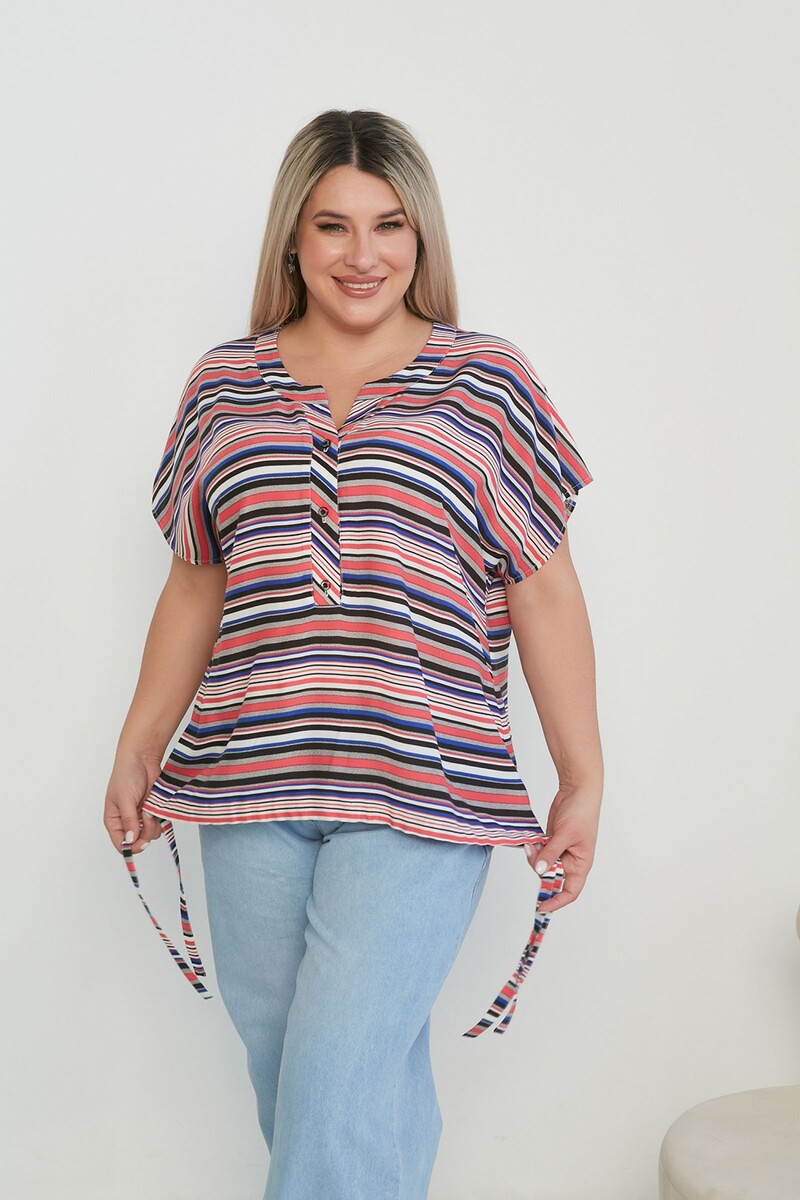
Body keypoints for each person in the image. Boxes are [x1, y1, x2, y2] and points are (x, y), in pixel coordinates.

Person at [103, 108, 603, 1200]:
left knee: (333, 1088)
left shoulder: (487, 382)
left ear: (421, 236)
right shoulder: (223, 385)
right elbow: (194, 581)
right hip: (246, 779)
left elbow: (545, 587)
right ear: (293, 238)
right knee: (306, 1078)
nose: (361, 254)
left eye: (388, 225)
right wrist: (138, 746)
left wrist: (581, 774)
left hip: (424, 780)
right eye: (332, 225)